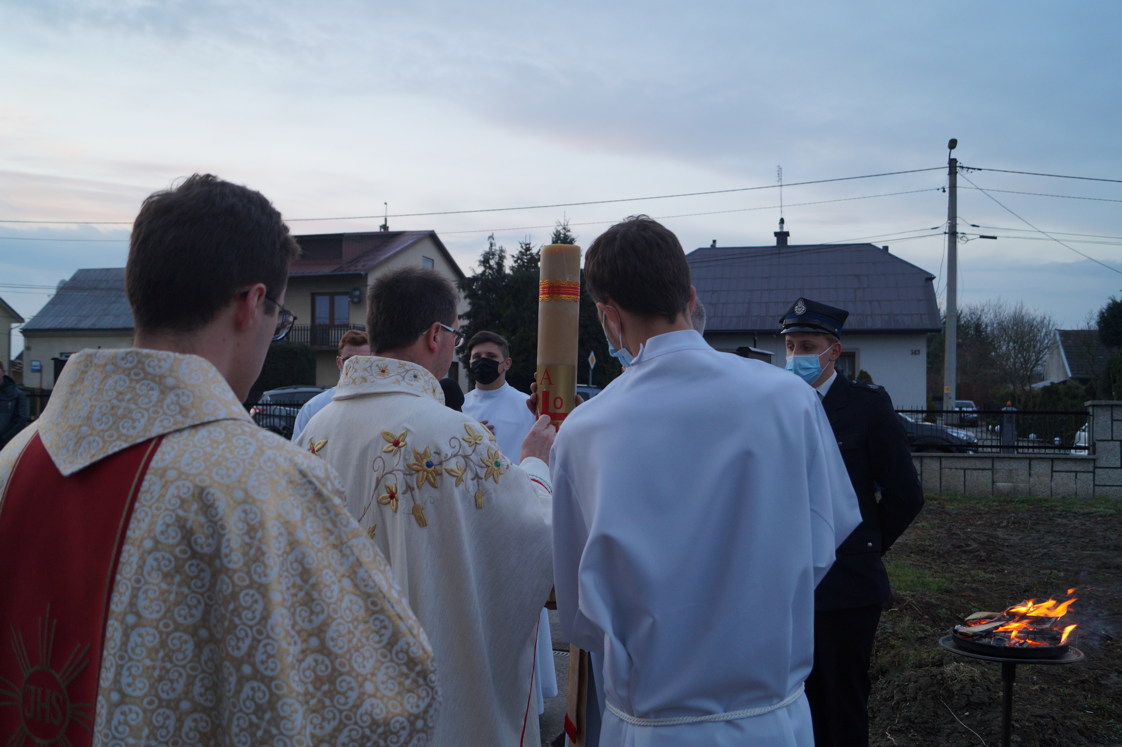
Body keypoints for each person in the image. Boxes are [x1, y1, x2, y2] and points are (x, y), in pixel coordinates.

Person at [0, 174, 438, 747]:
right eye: (279, 319)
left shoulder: (14, 461)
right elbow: (392, 699)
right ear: (251, 304)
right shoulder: (268, 485)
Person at [550, 216, 862, 747]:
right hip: (772, 719)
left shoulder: (585, 431)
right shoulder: (789, 400)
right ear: (690, 298)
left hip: (652, 725)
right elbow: (822, 542)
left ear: (609, 317)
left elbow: (581, 609)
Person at [295, 266, 556, 747]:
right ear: (436, 335)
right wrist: (536, 465)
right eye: (455, 335)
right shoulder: (452, 434)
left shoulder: (316, 429)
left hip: (340, 689)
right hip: (427, 702)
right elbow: (535, 535)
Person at [781, 298, 925, 747]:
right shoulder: (779, 405)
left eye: (807, 346)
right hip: (789, 585)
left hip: (847, 588)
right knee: (795, 704)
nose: (796, 356)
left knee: (841, 704)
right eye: (790, 346)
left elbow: (905, 494)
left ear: (834, 352)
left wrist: (862, 543)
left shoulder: (867, 407)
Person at [461, 330, 558, 717]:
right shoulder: (459, 406)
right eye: (475, 356)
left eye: (489, 355)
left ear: (507, 363)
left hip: (519, 510)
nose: (480, 362)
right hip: (474, 516)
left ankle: (530, 697)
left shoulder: (525, 406)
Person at [290, 328, 369, 440]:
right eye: (349, 361)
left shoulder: (383, 406)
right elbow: (298, 449)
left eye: (364, 361)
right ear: (339, 362)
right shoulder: (313, 409)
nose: (356, 367)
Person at [0, 361, 29, 449]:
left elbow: (20, 421)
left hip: (7, 448)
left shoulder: (17, 396)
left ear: (3, 372)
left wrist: (3, 439)